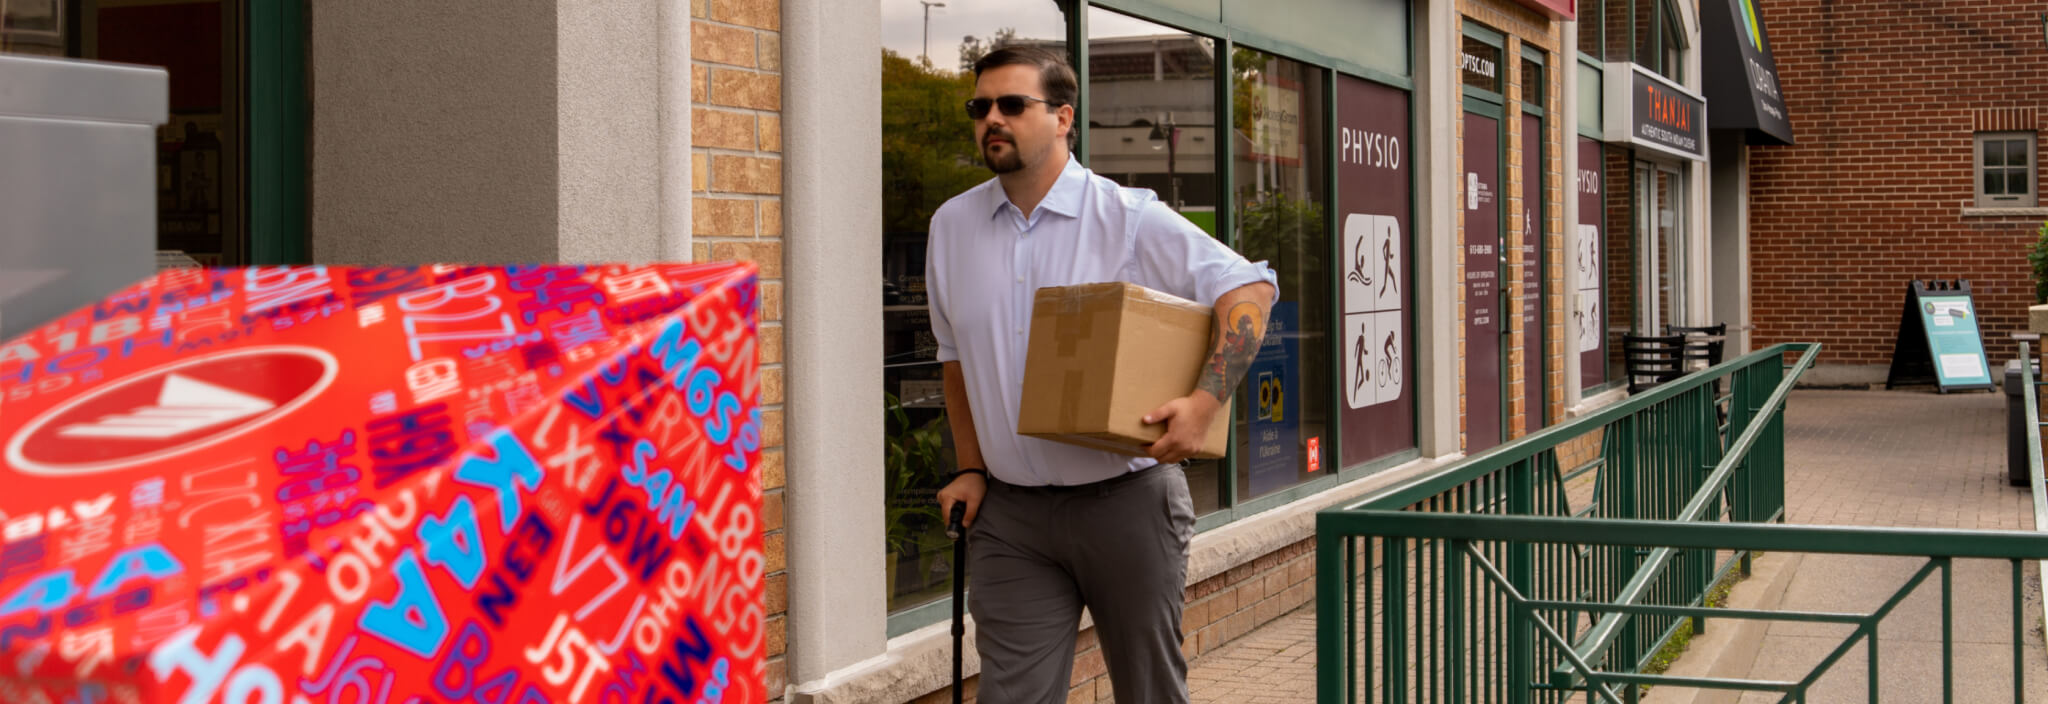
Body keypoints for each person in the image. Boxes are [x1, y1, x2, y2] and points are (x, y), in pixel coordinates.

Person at [925, 46, 1277, 704]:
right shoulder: (951, 228)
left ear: (1063, 118)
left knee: (1148, 692)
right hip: (1011, 519)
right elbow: (955, 362)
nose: (991, 119)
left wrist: (1206, 401)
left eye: (1011, 105)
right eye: (980, 108)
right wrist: (970, 466)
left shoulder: (1128, 217)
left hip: (1127, 504)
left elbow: (1250, 290)